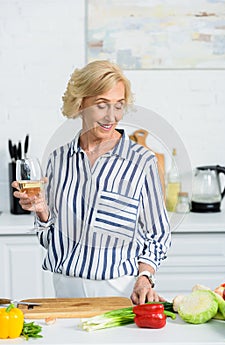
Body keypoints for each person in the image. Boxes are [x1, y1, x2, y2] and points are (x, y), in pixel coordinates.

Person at [12, 60, 171, 305]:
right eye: (101, 105)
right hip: (65, 288)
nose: (111, 116)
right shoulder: (58, 160)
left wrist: (145, 277)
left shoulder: (142, 162)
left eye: (118, 106)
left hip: (118, 290)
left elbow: (158, 235)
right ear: (80, 104)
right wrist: (43, 213)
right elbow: (51, 241)